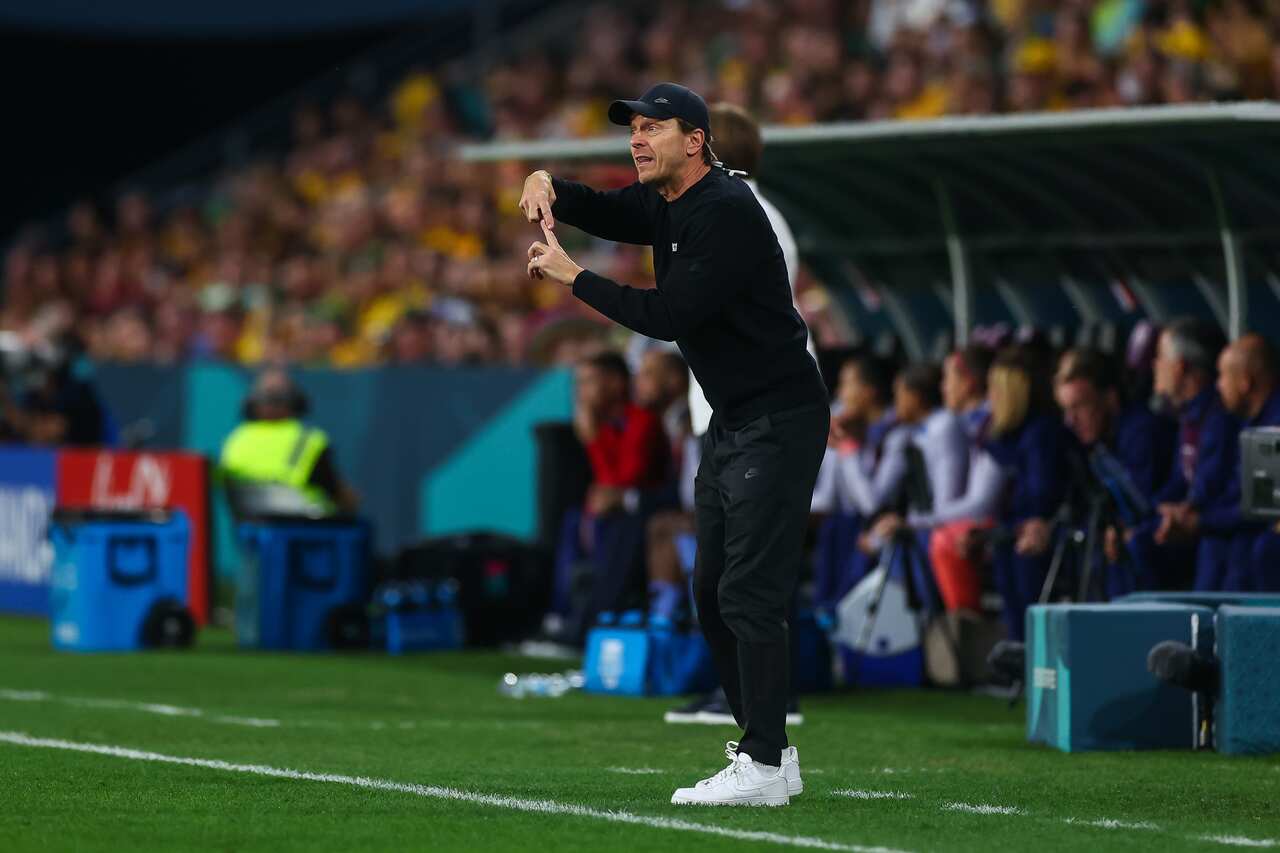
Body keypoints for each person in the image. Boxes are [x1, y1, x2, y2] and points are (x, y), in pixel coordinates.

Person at [519, 82, 828, 807]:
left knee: (747, 590)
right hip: (736, 417)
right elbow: (606, 205)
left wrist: (575, 277)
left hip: (777, 417)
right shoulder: (670, 200)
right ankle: (771, 752)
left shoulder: (723, 210)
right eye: (633, 128)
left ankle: (760, 758)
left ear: (695, 140)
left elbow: (669, 314)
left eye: (652, 127)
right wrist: (547, 185)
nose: (636, 139)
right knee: (710, 588)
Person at [1054, 348, 1176, 597]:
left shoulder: (1142, 433)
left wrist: (1119, 530)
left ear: (1109, 398)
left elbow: (1149, 505)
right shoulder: (1095, 443)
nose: (1071, 420)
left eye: (1080, 406)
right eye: (1066, 409)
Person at [1166, 335, 1280, 591]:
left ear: (1245, 382)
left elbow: (1260, 511)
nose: (1218, 386)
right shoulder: (1249, 422)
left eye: (1222, 376)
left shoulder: (1274, 425)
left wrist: (1201, 521)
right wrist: (1191, 511)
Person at [982, 347, 1069, 641]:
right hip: (1016, 525)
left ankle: (1028, 655)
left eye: (995, 389)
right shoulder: (1005, 435)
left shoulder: (1041, 433)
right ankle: (1017, 654)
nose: (990, 397)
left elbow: (1043, 493)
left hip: (1046, 527)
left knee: (1023, 566)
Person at [1145, 319, 1236, 591]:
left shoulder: (1218, 416)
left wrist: (1183, 512)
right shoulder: (1186, 415)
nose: (1154, 366)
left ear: (1180, 366)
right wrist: (1155, 510)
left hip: (1217, 528)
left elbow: (1210, 486)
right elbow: (1179, 479)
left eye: (1160, 358)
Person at [219, 368, 357, 516]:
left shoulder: (236, 438)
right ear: (296, 402)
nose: (272, 403)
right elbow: (334, 490)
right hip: (305, 525)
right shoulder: (309, 439)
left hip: (249, 522)